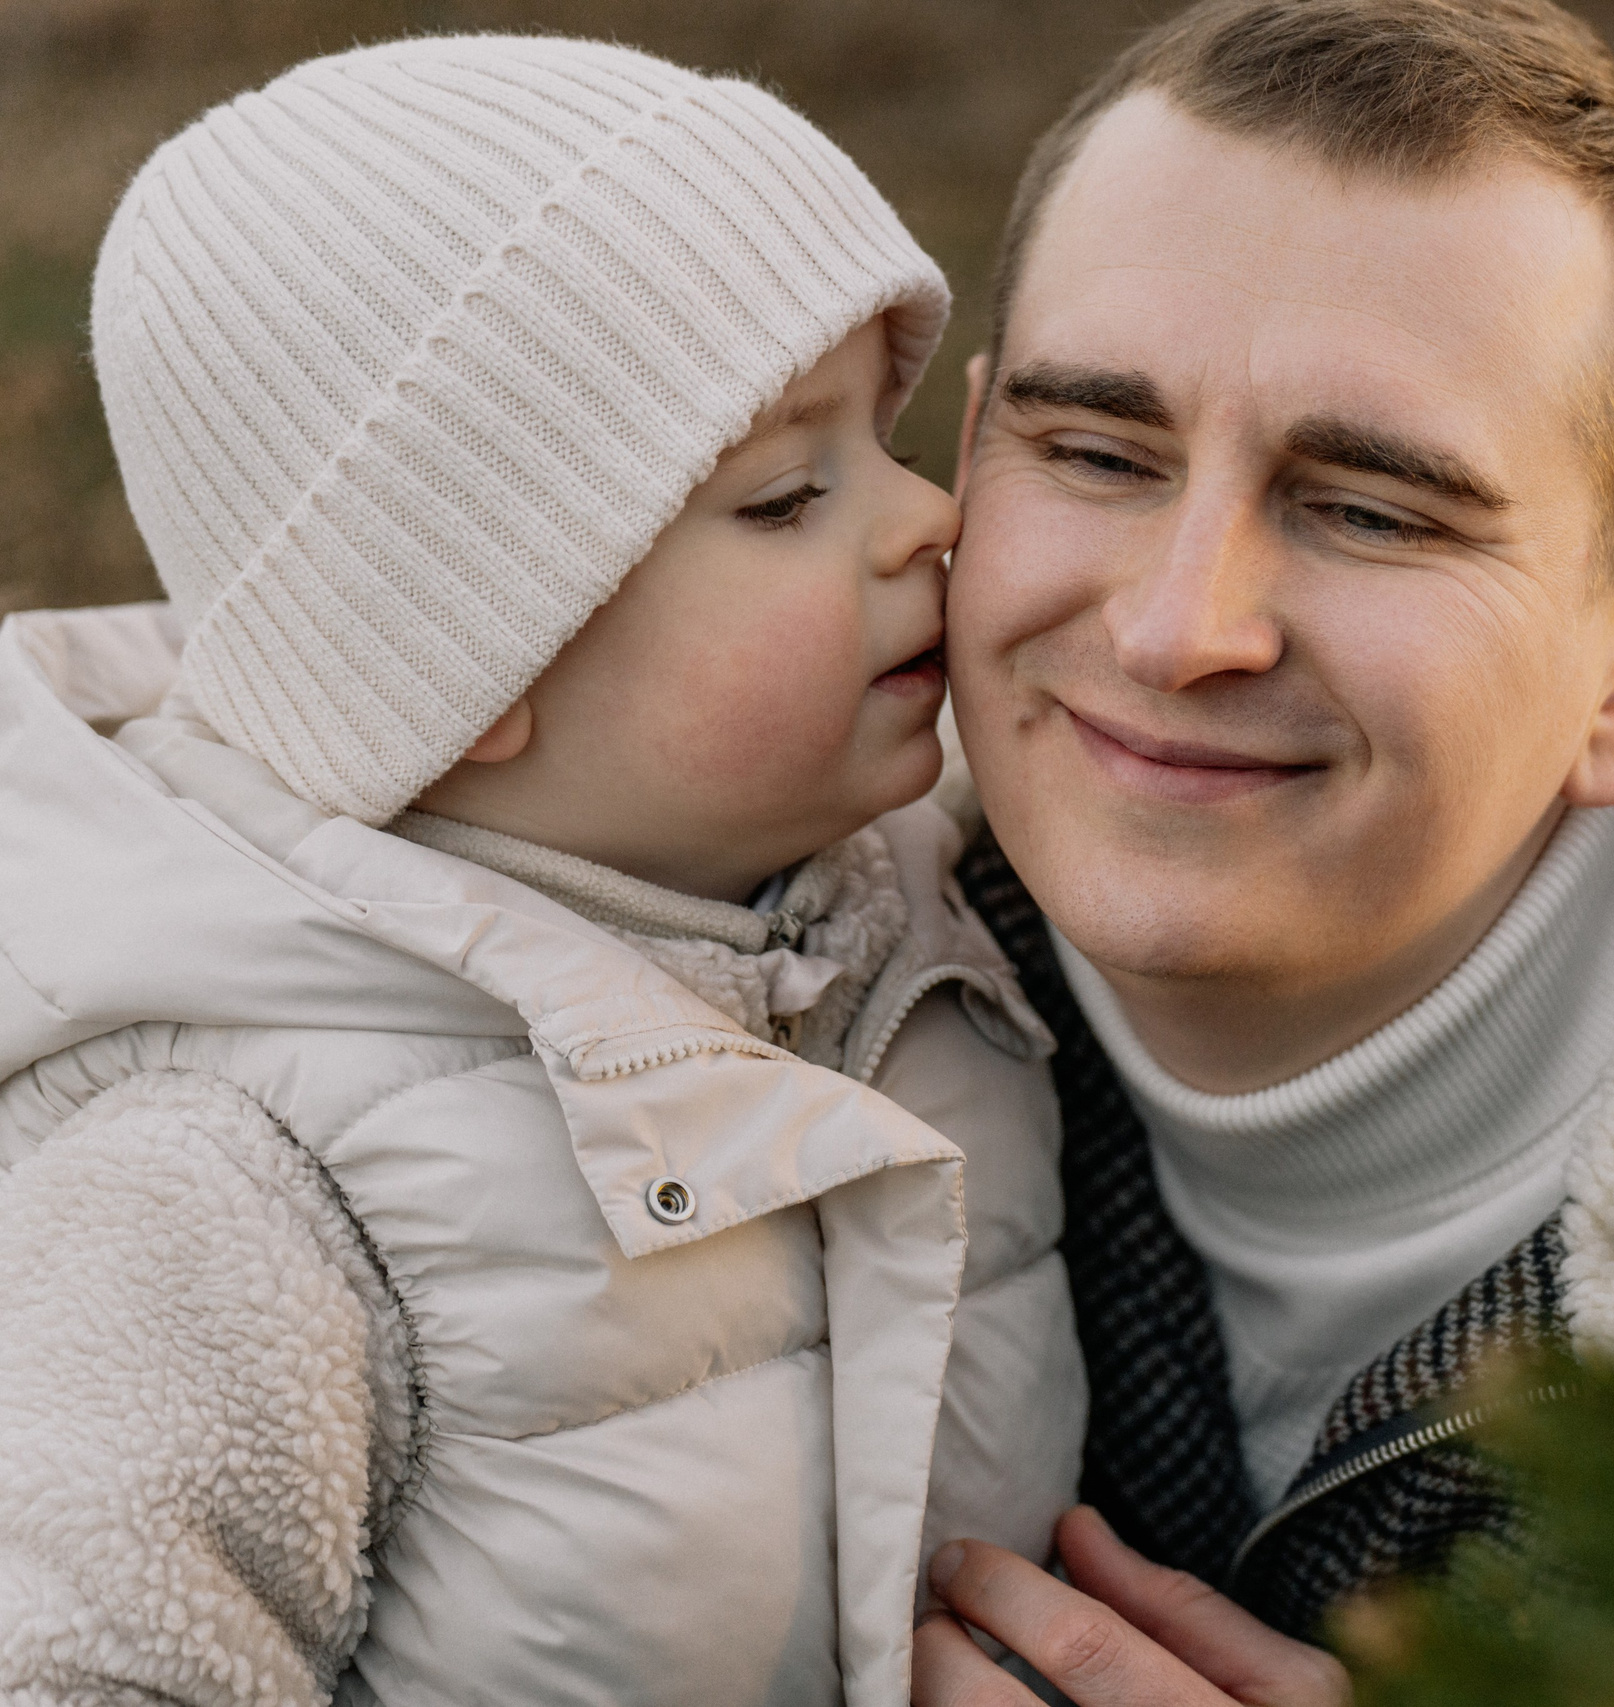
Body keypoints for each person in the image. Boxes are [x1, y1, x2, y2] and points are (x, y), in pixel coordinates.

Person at [912, 1, 1614, 1702]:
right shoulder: (685, 971)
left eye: (1370, 510)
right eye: (1097, 454)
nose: (1175, 629)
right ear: (973, 452)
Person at [0, 36, 1083, 1707]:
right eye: (790, 494)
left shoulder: (915, 906)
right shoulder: (230, 1185)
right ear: (460, 665)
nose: (928, 516)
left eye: (889, 437)